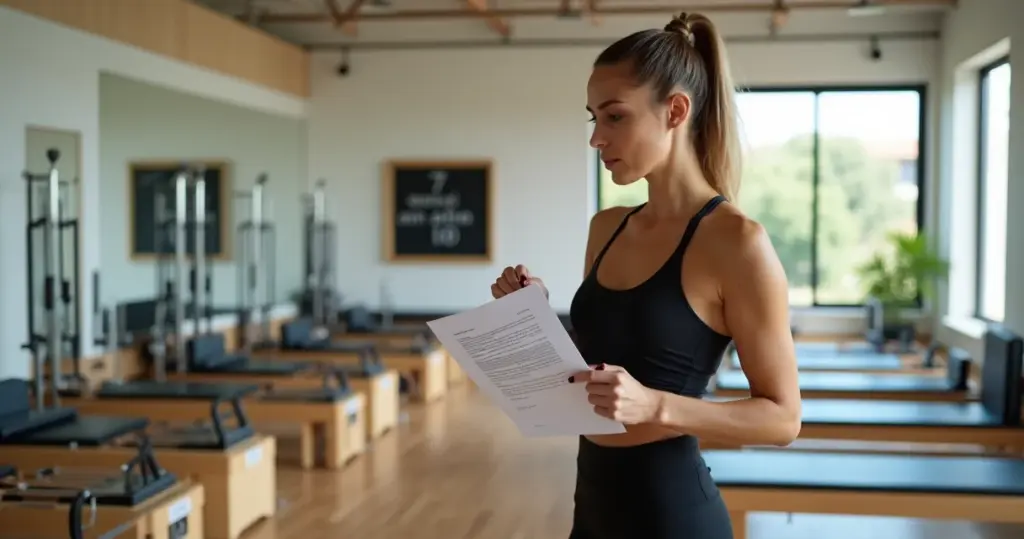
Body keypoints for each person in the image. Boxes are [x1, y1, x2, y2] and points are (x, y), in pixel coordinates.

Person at [489, 11, 802, 539]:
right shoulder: (606, 227)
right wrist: (533, 316)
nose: (596, 138)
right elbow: (607, 364)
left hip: (674, 516)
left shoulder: (737, 243)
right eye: (593, 118)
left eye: (614, 117)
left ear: (675, 111)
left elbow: (782, 419)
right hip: (591, 507)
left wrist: (656, 404)